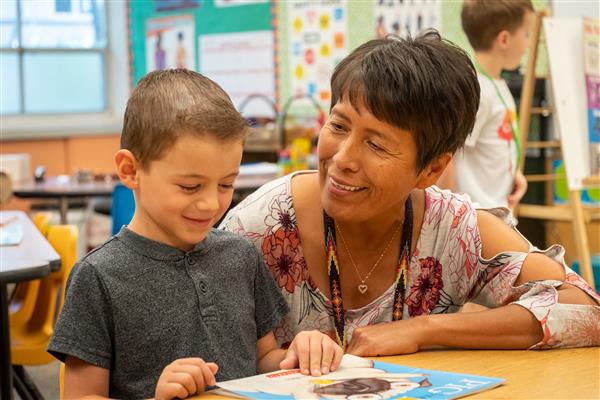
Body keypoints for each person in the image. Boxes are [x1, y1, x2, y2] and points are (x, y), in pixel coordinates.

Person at [220, 32, 600, 358]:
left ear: (431, 169)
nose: (342, 158)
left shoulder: (453, 230)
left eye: (376, 145)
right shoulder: (259, 227)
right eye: (338, 125)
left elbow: (585, 310)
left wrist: (425, 330)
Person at [47, 69, 343, 400]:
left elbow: (264, 359)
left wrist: (296, 355)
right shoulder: (97, 277)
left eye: (226, 184)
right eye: (190, 186)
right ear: (131, 170)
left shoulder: (241, 256)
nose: (210, 203)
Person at [438, 0, 534, 209]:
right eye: (527, 34)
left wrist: (513, 174)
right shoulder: (478, 91)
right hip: (478, 216)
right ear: (504, 39)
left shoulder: (496, 84)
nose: (528, 44)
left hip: (497, 210)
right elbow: (449, 154)